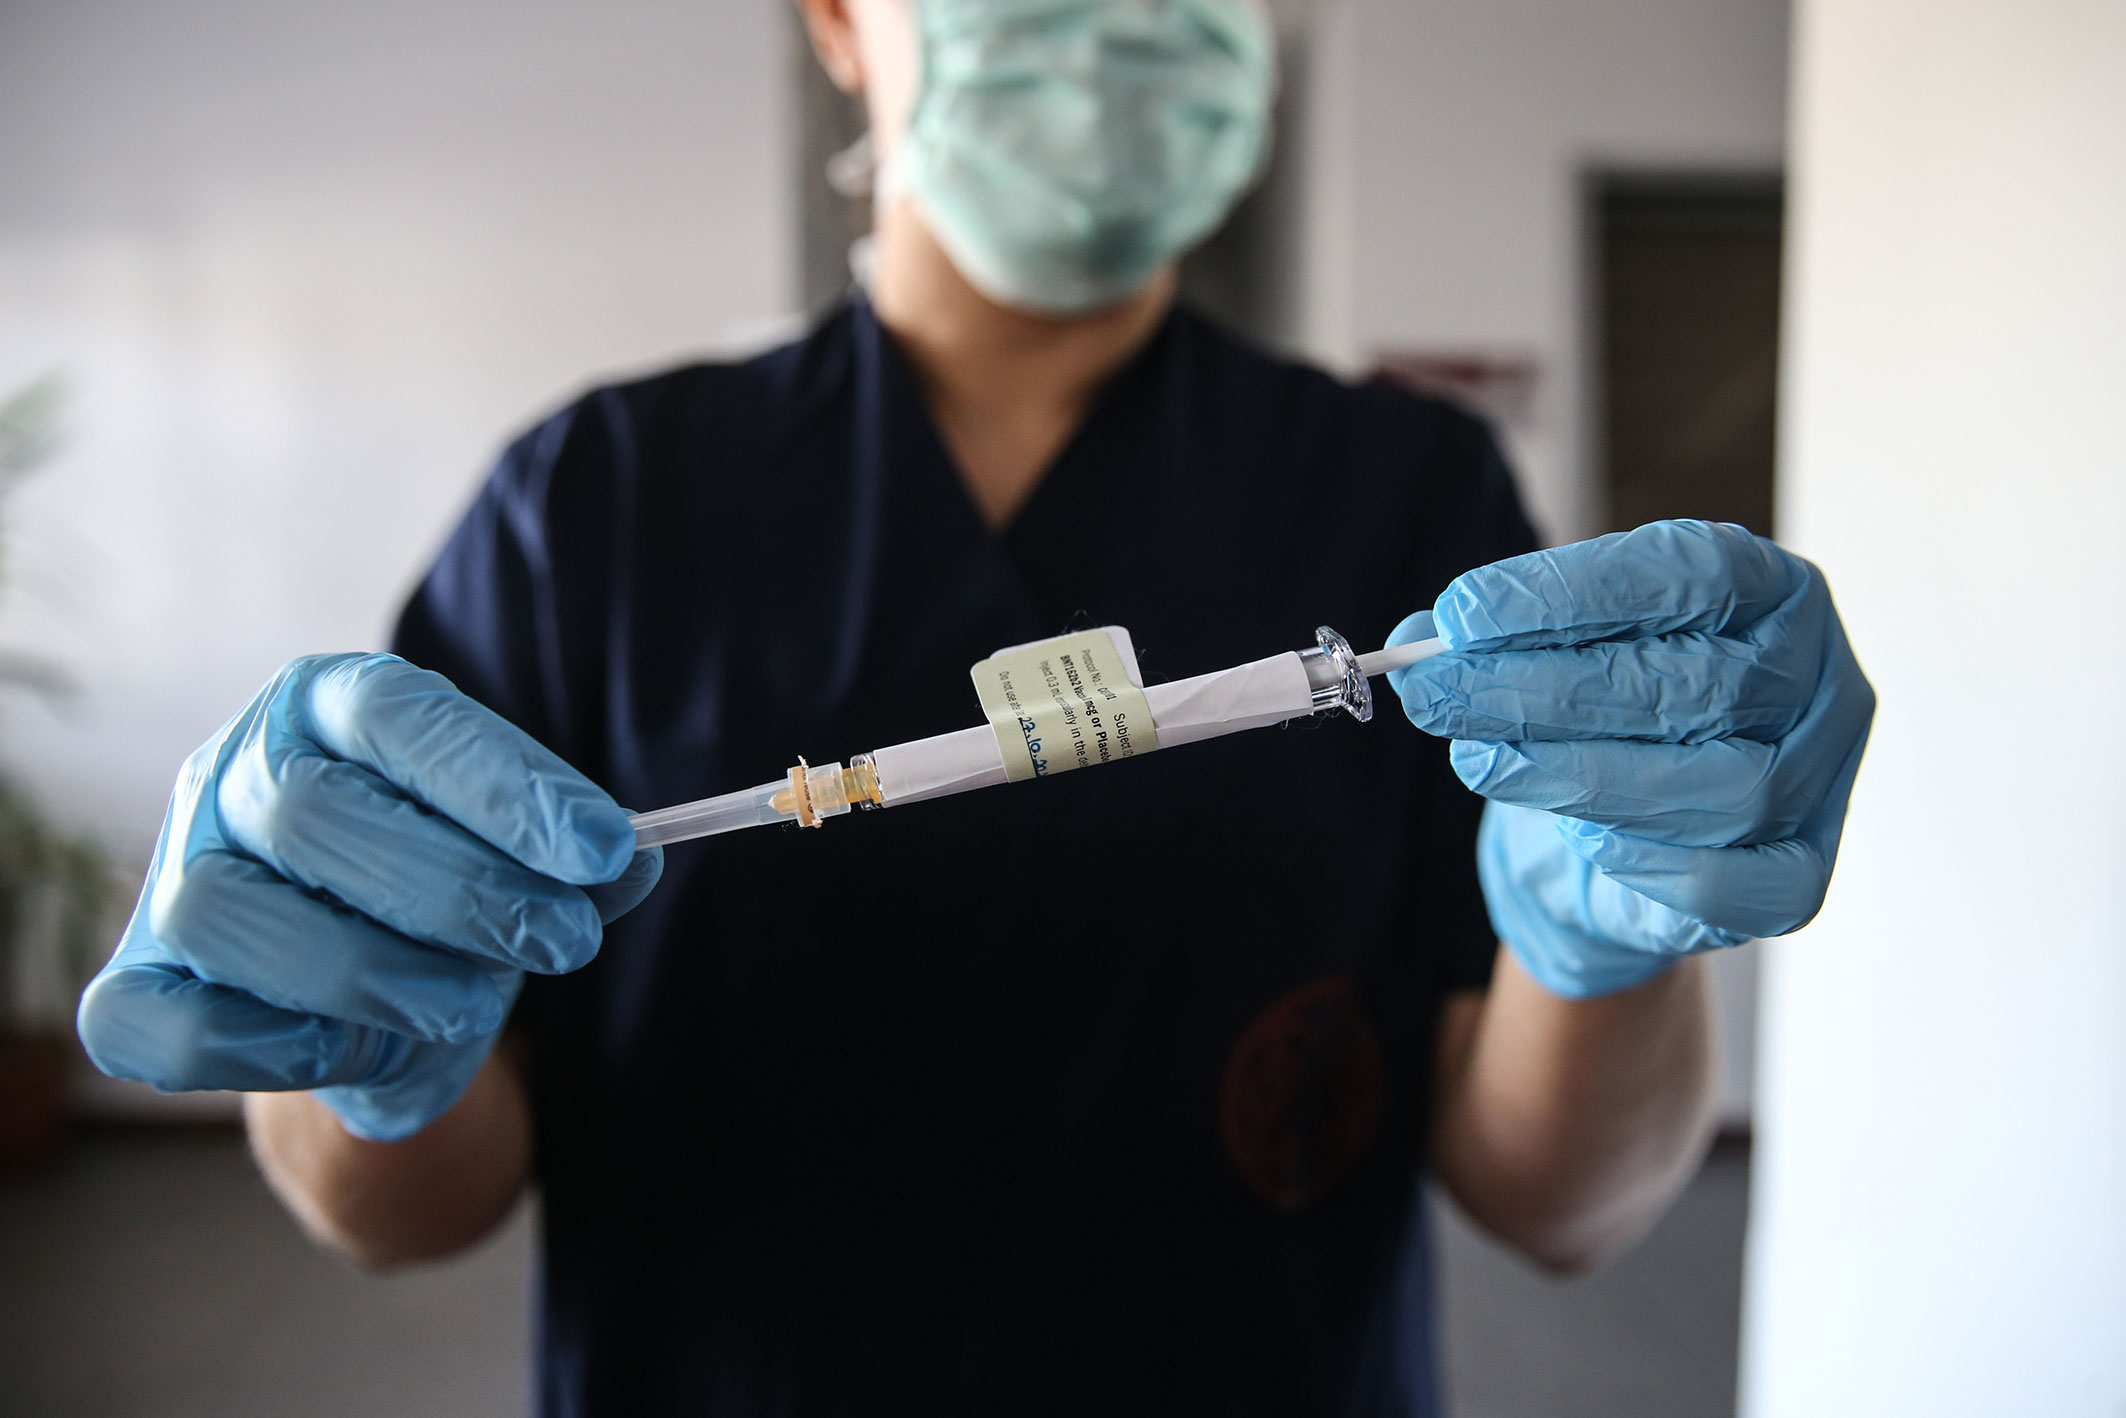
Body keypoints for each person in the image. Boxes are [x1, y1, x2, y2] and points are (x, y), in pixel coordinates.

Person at [76, 2, 1873, 1414]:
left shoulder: (1410, 496)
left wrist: (1605, 941)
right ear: (836, 20)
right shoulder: (597, 506)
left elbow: (1561, 1202)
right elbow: (399, 1212)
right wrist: (352, 1051)